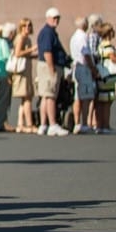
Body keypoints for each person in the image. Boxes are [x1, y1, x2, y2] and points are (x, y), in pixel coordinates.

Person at [35, 7, 71, 136]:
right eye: (54, 18)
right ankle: (52, 124)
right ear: (48, 18)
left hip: (48, 66)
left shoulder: (50, 32)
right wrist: (52, 69)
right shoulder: (48, 32)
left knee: (46, 96)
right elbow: (47, 52)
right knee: (50, 96)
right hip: (49, 66)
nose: (56, 20)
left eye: (58, 18)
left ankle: (43, 124)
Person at [93, 21, 116, 134]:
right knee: (106, 103)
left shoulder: (100, 45)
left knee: (100, 102)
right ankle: (105, 126)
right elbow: (115, 60)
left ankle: (99, 125)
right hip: (107, 76)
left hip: (101, 75)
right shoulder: (108, 46)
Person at [69, 15, 97, 134]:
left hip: (76, 67)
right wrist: (93, 68)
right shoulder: (82, 37)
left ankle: (77, 123)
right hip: (83, 67)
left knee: (78, 96)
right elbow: (85, 53)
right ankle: (84, 123)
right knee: (85, 97)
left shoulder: (74, 37)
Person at [11, 18, 38, 133]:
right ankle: (29, 124)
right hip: (21, 72)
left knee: (25, 98)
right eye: (25, 26)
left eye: (29, 26)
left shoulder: (27, 38)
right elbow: (17, 53)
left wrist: (33, 55)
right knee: (27, 98)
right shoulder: (21, 37)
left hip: (26, 70)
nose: (27, 28)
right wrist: (31, 50)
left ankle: (20, 124)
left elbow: (24, 54)